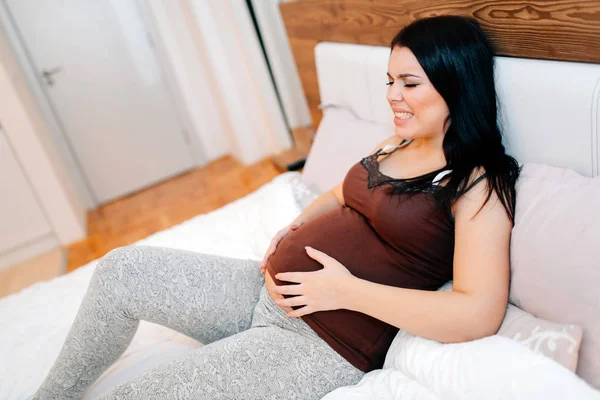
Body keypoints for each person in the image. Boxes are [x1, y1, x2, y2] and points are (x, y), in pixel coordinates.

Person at [34, 15, 520, 400]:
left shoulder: (477, 180)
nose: (392, 95)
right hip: (264, 292)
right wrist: (293, 229)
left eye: (409, 84)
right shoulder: (398, 141)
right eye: (389, 80)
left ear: (455, 85)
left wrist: (346, 291)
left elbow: (476, 314)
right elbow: (340, 194)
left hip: (319, 343)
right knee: (123, 269)